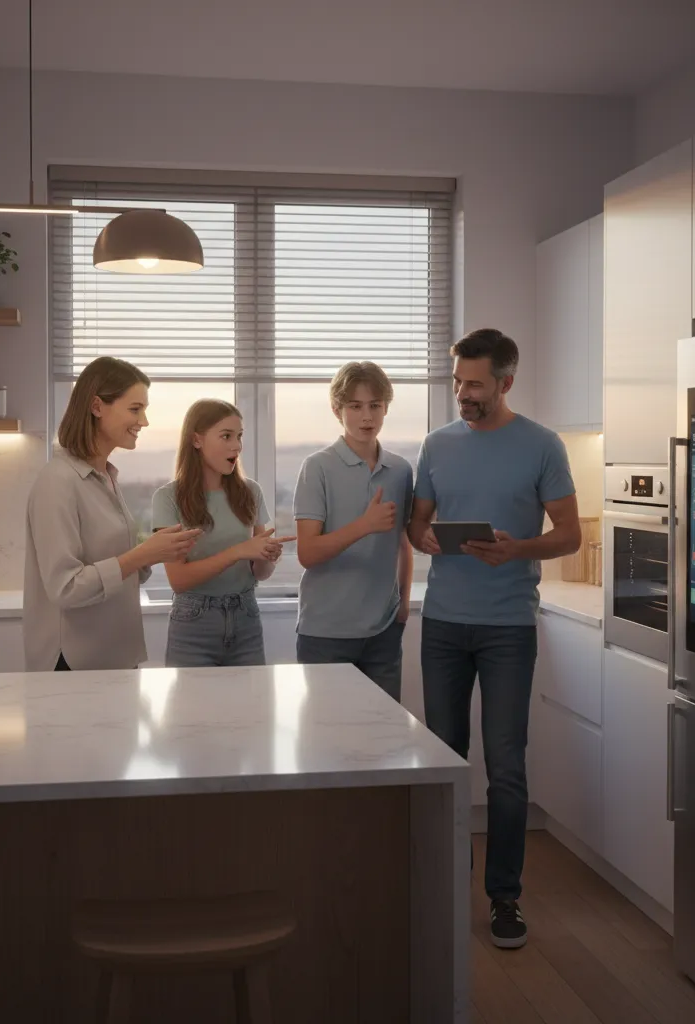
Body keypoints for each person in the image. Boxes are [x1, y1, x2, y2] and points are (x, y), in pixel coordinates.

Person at [408, 328, 581, 949]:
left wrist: (517, 550)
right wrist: (419, 537)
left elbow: (568, 535)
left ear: (505, 382)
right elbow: (417, 522)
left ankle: (504, 897)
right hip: (444, 624)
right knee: (446, 761)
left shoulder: (541, 445)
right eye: (457, 380)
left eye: (474, 383)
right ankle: (448, 886)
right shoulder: (437, 443)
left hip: (509, 626)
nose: (463, 392)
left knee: (505, 768)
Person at [23, 357, 201, 672]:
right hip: (74, 664)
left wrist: (154, 553)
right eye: (135, 409)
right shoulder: (58, 482)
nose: (143, 421)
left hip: (114, 658)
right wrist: (140, 555)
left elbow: (116, 567)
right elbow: (66, 588)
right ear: (96, 406)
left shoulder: (106, 477)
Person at [293, 361, 414, 701]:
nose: (366, 417)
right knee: (327, 744)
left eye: (375, 405)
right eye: (355, 406)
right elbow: (307, 553)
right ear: (337, 409)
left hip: (383, 633)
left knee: (381, 743)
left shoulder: (400, 470)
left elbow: (403, 543)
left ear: (386, 407)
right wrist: (364, 526)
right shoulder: (317, 467)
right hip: (325, 634)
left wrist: (402, 606)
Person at [152, 398, 295, 667]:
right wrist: (239, 551)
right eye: (226, 436)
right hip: (193, 623)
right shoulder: (168, 498)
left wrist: (266, 556)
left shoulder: (251, 492)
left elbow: (260, 574)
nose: (236, 446)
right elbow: (179, 580)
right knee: (193, 709)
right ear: (197, 440)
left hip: (246, 617)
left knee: (249, 707)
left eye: (239, 436)